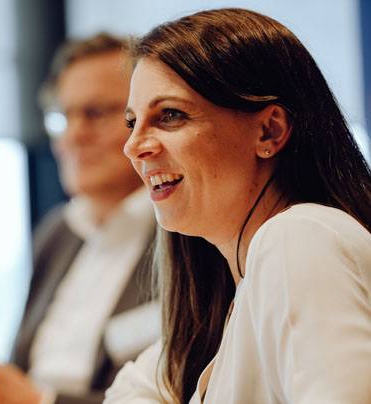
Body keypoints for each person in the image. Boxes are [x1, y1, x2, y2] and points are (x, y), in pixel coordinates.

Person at [104, 8, 371, 404]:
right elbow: (130, 391)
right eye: (132, 123)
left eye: (170, 115)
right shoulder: (221, 312)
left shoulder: (299, 236)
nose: (133, 146)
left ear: (269, 131)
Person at [0, 33, 160, 404]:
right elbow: (21, 371)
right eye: (62, 117)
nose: (73, 135)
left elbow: (180, 394)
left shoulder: (185, 234)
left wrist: (39, 402)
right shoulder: (57, 233)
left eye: (95, 113)